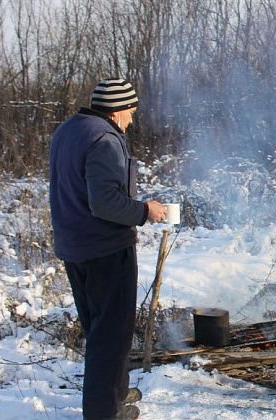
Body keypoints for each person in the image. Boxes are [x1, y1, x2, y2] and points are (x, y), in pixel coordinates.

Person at [49, 78, 166, 419]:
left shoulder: (69, 130)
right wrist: (146, 211)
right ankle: (105, 412)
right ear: (115, 111)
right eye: (130, 112)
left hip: (75, 245)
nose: (131, 119)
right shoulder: (104, 139)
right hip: (105, 249)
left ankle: (114, 392)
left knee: (100, 328)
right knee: (110, 336)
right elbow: (105, 203)